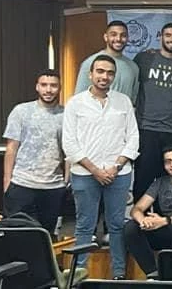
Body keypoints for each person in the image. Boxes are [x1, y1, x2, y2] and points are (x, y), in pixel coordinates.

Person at [62, 54, 140, 280]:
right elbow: (69, 143)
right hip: (85, 174)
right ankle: (78, 276)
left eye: (109, 73)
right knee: (85, 226)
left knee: (117, 226)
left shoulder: (123, 101)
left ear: (114, 76)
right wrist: (95, 170)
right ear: (91, 74)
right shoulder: (75, 103)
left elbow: (133, 137)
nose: (104, 76)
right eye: (100, 71)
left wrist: (116, 166)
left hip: (119, 174)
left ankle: (118, 275)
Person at [132, 22, 172, 198]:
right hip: (146, 128)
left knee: (169, 178)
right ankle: (141, 213)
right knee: (143, 177)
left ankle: (163, 214)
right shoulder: (143, 58)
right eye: (168, 35)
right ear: (160, 37)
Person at [2, 70, 67, 233]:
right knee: (15, 235)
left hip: (53, 186)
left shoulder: (66, 114)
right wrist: (7, 181)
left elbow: (69, 151)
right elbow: (11, 147)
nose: (48, 90)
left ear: (59, 88)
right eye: (44, 85)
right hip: (22, 183)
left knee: (47, 236)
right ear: (37, 87)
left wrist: (66, 180)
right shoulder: (21, 111)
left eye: (53, 86)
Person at [123, 145, 172, 278]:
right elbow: (137, 209)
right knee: (131, 227)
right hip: (164, 228)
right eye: (168, 161)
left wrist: (164, 221)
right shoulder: (160, 182)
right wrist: (144, 220)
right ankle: (153, 274)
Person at [75, 20, 140, 100]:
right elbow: (79, 98)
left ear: (127, 39)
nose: (118, 39)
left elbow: (133, 99)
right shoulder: (90, 63)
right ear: (106, 37)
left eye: (123, 35)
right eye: (113, 35)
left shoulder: (133, 67)